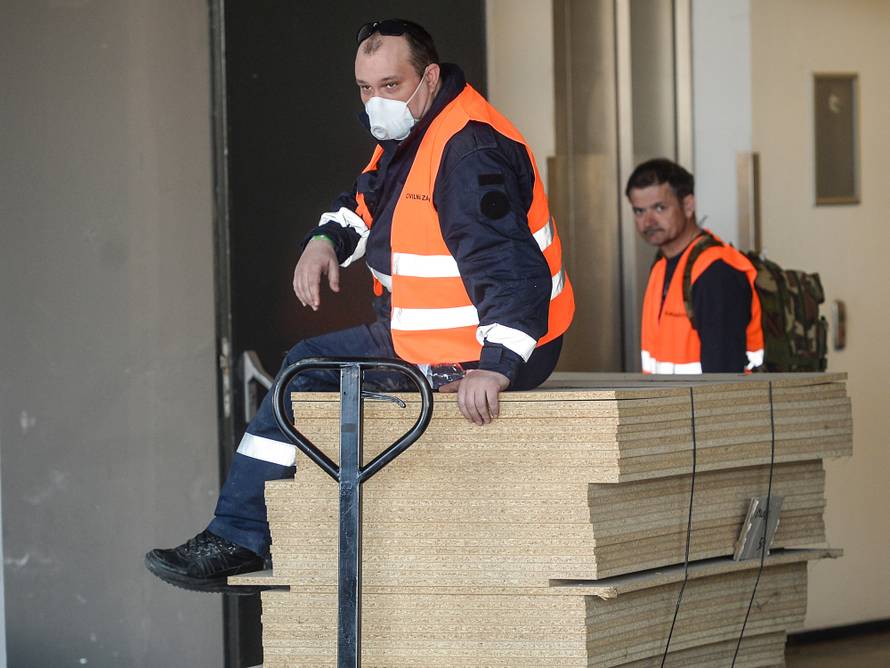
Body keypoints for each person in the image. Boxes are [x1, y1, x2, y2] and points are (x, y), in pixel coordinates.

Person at [144, 19, 574, 593]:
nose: (376, 102)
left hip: (484, 347)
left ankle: (242, 536)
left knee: (309, 377)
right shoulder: (414, 131)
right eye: (364, 88)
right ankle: (240, 534)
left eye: (390, 85)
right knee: (302, 367)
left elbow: (510, 269)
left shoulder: (469, 149)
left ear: (429, 77)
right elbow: (365, 202)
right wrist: (325, 242)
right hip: (419, 333)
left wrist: (496, 365)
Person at [626, 158, 763, 374]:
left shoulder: (716, 272)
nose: (648, 221)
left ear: (688, 205)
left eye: (659, 208)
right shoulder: (662, 265)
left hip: (708, 407)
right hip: (672, 405)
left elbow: (724, 379)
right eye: (639, 211)